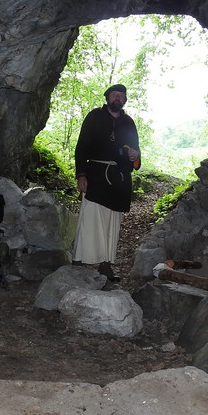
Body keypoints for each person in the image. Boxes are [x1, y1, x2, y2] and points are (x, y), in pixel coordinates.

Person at [72, 83, 141, 280]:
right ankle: (78, 259)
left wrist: (135, 155)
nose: (117, 98)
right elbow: (81, 147)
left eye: (121, 95)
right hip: (95, 174)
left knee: (112, 223)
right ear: (107, 98)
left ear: (125, 100)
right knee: (90, 218)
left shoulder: (129, 123)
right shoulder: (95, 117)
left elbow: (135, 153)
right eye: (114, 94)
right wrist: (81, 175)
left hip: (119, 178)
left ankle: (106, 264)